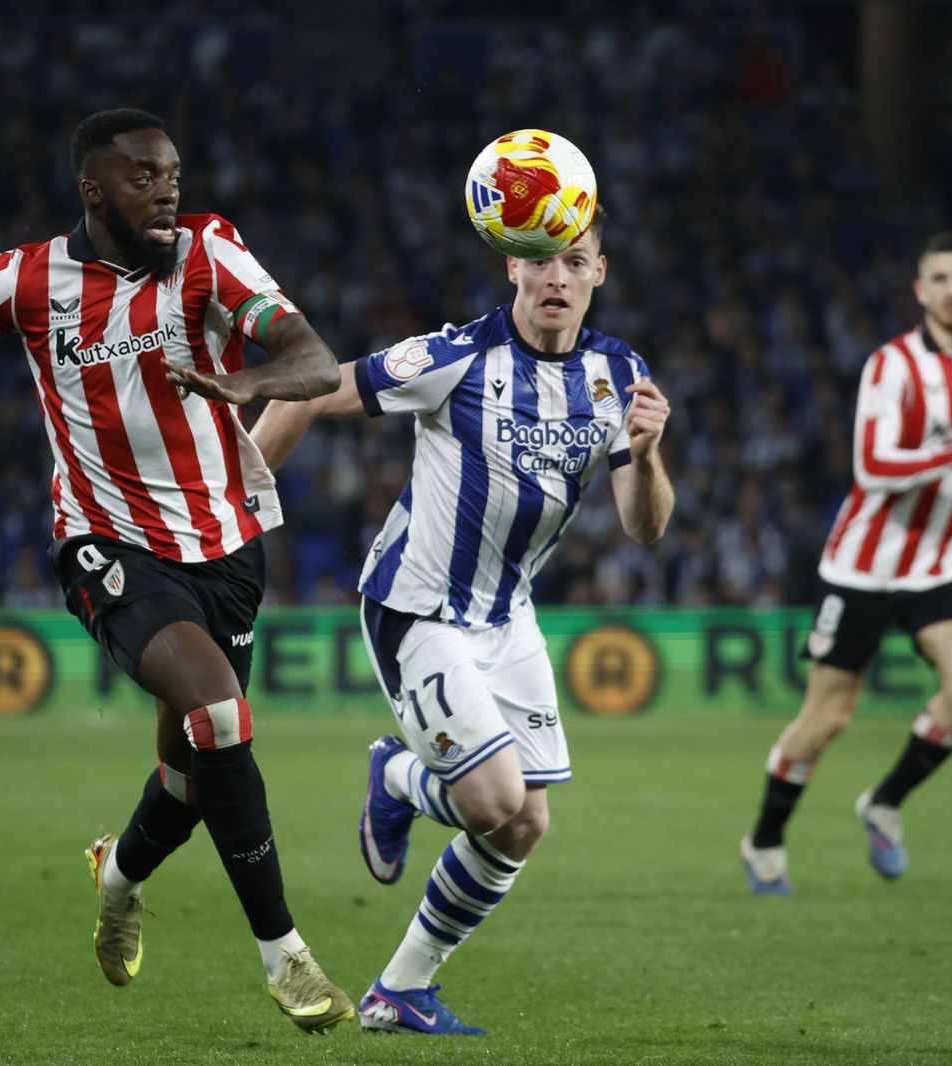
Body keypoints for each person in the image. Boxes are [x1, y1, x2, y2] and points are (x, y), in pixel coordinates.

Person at [0, 108, 357, 1033]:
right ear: (93, 189)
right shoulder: (29, 279)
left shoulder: (208, 255)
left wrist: (247, 381)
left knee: (192, 777)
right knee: (220, 716)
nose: (166, 193)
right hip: (105, 544)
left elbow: (313, 360)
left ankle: (117, 876)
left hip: (226, 546)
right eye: (142, 178)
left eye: (173, 176)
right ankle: (286, 956)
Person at [173, 206, 674, 1035]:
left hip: (507, 616)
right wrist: (238, 511)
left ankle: (400, 991)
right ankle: (398, 776)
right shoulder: (457, 355)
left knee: (525, 823)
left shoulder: (618, 374)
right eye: (539, 260)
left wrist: (648, 454)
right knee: (492, 798)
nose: (556, 277)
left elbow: (644, 526)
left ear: (599, 271)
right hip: (418, 605)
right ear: (511, 267)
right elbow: (314, 387)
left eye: (574, 260)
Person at [740, 231, 952, 894]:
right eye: (940, 279)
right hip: (863, 567)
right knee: (828, 720)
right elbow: (873, 466)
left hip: (940, 563)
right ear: (920, 291)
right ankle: (765, 841)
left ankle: (884, 803)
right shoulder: (892, 366)